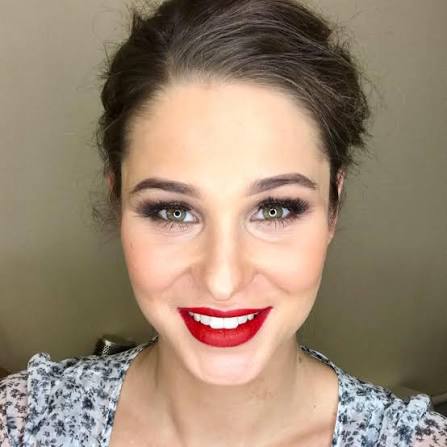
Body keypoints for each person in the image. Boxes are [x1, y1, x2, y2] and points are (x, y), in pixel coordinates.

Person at [1, 0, 446, 445]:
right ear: (119, 201)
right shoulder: (22, 422)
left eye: (274, 209)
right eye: (174, 211)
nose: (222, 282)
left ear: (334, 206)